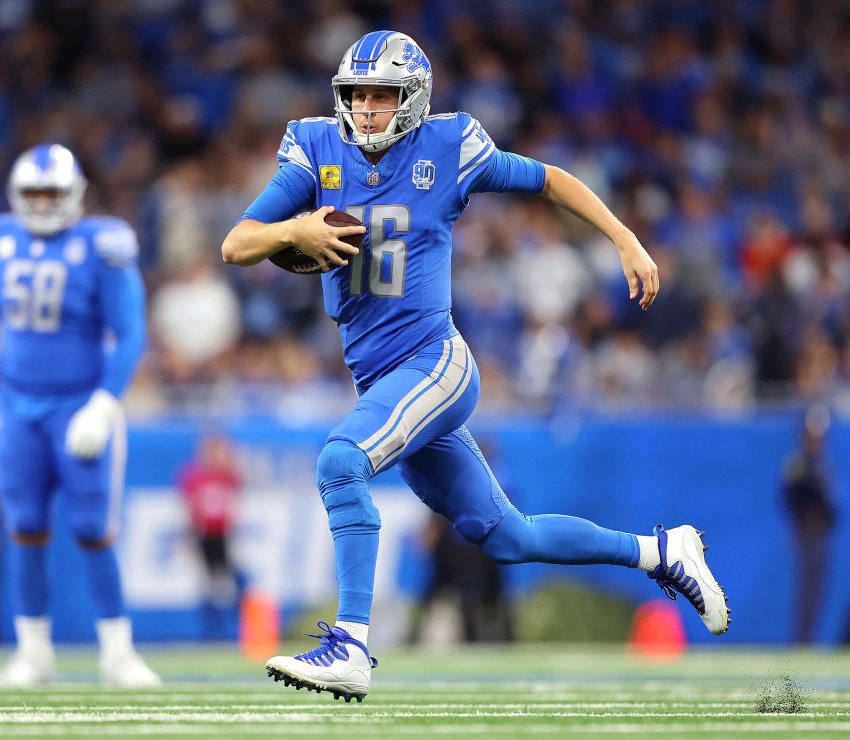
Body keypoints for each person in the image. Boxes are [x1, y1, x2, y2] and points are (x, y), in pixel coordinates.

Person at [220, 31, 729, 702]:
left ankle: (350, 642)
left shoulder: (449, 147)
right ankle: (662, 552)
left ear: (414, 99)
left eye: (383, 95)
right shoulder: (316, 148)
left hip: (434, 363)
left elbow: (552, 180)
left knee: (340, 463)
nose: (368, 109)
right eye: (359, 95)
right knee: (507, 535)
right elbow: (237, 243)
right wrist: (296, 231)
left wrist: (625, 238)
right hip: (381, 379)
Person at [0, 143, 160, 688]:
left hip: (80, 404)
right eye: (34, 194)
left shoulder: (102, 244)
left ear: (75, 195)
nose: (43, 203)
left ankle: (117, 652)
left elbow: (131, 330)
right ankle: (32, 652)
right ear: (17, 196)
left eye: (53, 193)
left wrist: (106, 400)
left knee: (93, 529)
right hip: (16, 406)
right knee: (24, 528)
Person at [177, 431, 243, 639]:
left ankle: (234, 629)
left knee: (230, 583)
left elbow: (238, 495)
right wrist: (189, 534)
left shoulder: (228, 473)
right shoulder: (195, 475)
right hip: (204, 534)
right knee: (207, 585)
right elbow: (189, 506)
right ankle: (212, 632)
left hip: (224, 535)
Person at [781, 403, 837, 643]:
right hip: (806, 533)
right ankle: (802, 636)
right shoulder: (799, 463)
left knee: (817, 588)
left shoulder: (822, 463)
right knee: (807, 587)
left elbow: (829, 501)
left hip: (820, 533)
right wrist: (805, 517)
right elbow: (789, 496)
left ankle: (809, 634)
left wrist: (827, 517)